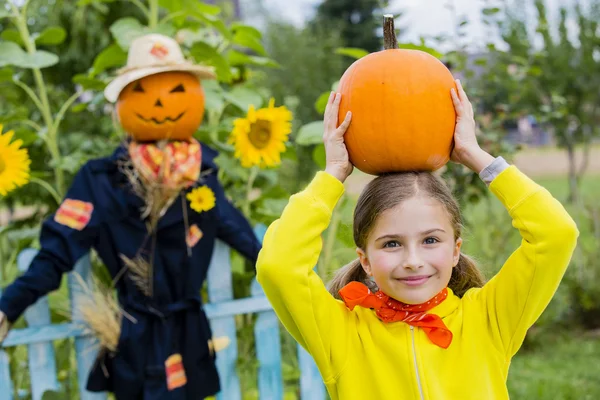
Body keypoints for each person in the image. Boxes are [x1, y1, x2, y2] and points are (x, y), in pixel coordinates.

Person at [256, 80, 578, 399]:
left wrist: (477, 157)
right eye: (392, 244)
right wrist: (333, 175)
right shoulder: (342, 335)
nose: (413, 260)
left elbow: (555, 233)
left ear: (456, 250)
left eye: (430, 241)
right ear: (364, 259)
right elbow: (278, 265)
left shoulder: (489, 318)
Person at [0, 34, 261, 400]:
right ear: (122, 101)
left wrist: (290, 275)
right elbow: (58, 248)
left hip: (188, 333)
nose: (160, 101)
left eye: (177, 87)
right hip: (137, 338)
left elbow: (242, 235)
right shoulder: (100, 180)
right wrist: (8, 304)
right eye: (140, 89)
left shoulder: (201, 175)